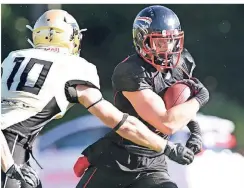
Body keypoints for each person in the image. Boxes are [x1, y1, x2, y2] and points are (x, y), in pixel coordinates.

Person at [1, 9, 195, 188]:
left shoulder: (11, 59)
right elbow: (123, 124)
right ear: (71, 38)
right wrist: (167, 146)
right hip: (8, 154)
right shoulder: (74, 67)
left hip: (13, 154)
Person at [76, 5, 209, 188]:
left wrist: (195, 130)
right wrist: (201, 97)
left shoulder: (182, 63)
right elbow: (166, 122)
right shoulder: (131, 71)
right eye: (159, 42)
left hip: (153, 163)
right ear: (142, 41)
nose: (167, 48)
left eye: (171, 41)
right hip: (116, 161)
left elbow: (180, 103)